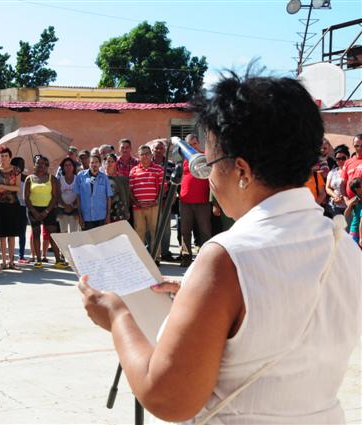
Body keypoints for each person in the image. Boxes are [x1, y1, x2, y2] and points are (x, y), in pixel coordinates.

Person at [78, 72, 361, 424]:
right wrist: (205, 298)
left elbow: (168, 397)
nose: (208, 178)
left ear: (241, 169)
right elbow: (285, 308)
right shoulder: (345, 247)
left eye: (209, 164)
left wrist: (117, 316)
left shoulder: (227, 257)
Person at [25, 155, 66, 269]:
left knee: (53, 234)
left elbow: (55, 197)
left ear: (47, 166)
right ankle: (38, 260)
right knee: (36, 234)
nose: (40, 165)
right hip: (34, 210)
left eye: (43, 163)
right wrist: (34, 211)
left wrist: (47, 211)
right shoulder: (30, 179)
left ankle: (58, 260)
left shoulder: (52, 178)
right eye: (38, 163)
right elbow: (26, 198)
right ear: (34, 165)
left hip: (49, 209)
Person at [178, 134, 212, 267]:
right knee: (185, 231)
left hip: (202, 200)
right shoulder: (183, 158)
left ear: (199, 144)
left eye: (195, 144)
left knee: (205, 230)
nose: (193, 147)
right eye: (190, 145)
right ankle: (186, 257)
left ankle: (206, 258)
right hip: (185, 200)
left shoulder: (205, 157)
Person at [129, 144, 164, 256]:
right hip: (138, 207)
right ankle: (140, 257)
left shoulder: (158, 169)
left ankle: (156, 257)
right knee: (139, 232)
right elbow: (130, 189)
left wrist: (157, 201)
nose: (145, 156)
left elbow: (163, 187)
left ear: (151, 154)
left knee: (155, 232)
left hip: (154, 206)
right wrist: (136, 202)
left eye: (147, 154)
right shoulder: (133, 171)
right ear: (138, 156)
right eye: (142, 154)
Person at [0, 147, 21, 271]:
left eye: (6, 156)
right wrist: (9, 187)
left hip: (13, 204)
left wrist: (2, 186)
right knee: (2, 234)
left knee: (12, 234)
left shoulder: (16, 170)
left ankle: (12, 261)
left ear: (10, 157)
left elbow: (18, 188)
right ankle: (3, 261)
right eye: (1, 156)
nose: (3, 158)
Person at [151, 139, 178, 261]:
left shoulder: (171, 165)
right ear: (152, 150)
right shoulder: (147, 164)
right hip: (151, 202)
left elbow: (174, 185)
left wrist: (172, 199)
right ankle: (152, 251)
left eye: (161, 148)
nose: (158, 150)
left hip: (165, 202)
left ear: (165, 150)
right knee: (151, 228)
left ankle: (165, 252)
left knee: (166, 228)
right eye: (156, 148)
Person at [75, 154, 112, 230]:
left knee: (101, 240)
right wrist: (80, 216)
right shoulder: (80, 176)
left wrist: (108, 216)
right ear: (89, 164)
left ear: (100, 164)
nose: (94, 164)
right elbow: (78, 197)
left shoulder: (104, 178)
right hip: (86, 217)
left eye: (96, 162)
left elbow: (108, 197)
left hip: (101, 217)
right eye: (92, 162)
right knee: (88, 241)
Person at [11, 157, 29, 264]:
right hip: (13, 206)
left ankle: (21, 255)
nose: (21, 166)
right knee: (12, 232)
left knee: (22, 232)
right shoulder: (11, 178)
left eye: (23, 164)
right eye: (19, 164)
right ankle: (11, 255)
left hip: (23, 207)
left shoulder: (27, 178)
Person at [103, 153, 130, 223]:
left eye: (112, 162)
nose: (110, 164)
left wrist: (127, 210)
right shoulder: (100, 178)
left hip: (119, 210)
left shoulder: (121, 178)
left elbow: (125, 195)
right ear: (104, 163)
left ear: (115, 163)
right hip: (104, 210)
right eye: (108, 161)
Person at [57, 157, 80, 233]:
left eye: (70, 165)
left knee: (74, 232)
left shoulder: (78, 179)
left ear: (73, 167)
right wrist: (65, 205)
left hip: (75, 208)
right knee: (63, 232)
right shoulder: (60, 179)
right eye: (66, 165)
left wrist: (72, 205)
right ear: (63, 168)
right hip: (62, 208)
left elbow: (79, 194)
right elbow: (58, 195)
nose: (68, 167)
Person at [325, 146, 349, 217]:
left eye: (343, 158)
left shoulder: (351, 171)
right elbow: (327, 188)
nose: (341, 161)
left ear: (348, 158)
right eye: (338, 159)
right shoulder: (332, 172)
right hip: (334, 207)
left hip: (349, 207)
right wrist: (336, 197)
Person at [342, 134, 362, 213]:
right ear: (353, 145)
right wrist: (347, 201)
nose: (359, 148)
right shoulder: (348, 162)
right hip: (351, 205)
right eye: (357, 146)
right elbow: (342, 184)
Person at [344, 178, 362, 247]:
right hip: (354, 230)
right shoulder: (354, 200)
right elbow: (346, 215)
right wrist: (350, 205)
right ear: (356, 189)